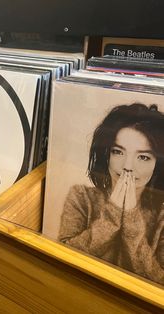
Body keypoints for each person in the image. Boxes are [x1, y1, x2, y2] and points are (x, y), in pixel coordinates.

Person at [58, 103, 164, 285]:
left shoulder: (161, 216)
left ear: (157, 165)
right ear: (106, 154)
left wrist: (131, 218)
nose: (128, 166)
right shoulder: (81, 197)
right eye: (118, 152)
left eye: (143, 157)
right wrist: (112, 213)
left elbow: (159, 281)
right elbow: (63, 257)